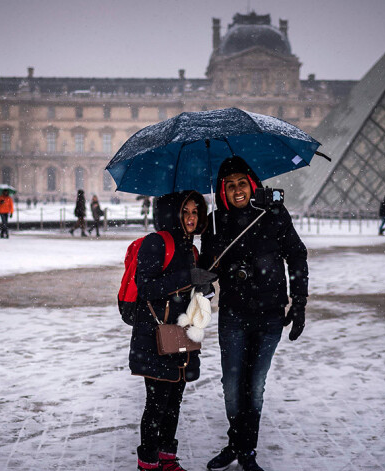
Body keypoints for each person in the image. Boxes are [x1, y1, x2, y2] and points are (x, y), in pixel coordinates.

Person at [199, 156, 308, 471]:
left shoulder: (273, 213)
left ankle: (246, 452)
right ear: (222, 190)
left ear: (252, 185)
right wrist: (213, 260)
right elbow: (206, 271)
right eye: (230, 186)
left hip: (270, 314)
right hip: (233, 314)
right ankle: (237, 443)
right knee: (233, 386)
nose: (237, 191)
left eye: (241, 184)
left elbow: (296, 254)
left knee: (254, 385)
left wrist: (299, 301)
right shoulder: (217, 222)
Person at [130, 190, 216, 471]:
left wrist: (205, 290)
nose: (191, 218)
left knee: (174, 400)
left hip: (180, 333)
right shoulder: (157, 243)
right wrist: (186, 277)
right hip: (154, 336)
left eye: (195, 212)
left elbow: (191, 295)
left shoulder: (191, 249)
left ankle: (167, 458)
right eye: (185, 211)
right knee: (156, 403)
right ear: (172, 213)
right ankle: (148, 463)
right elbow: (146, 288)